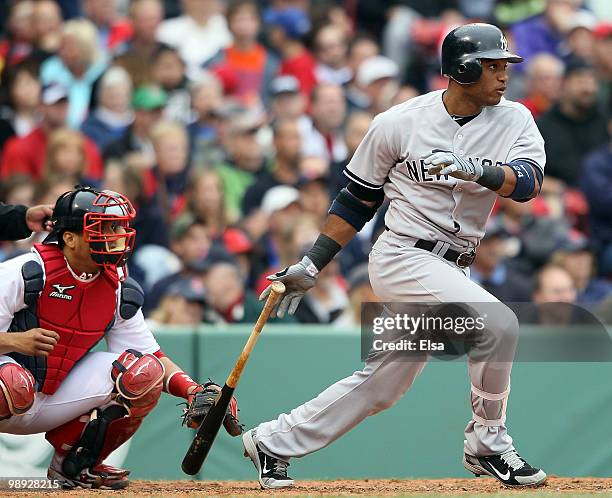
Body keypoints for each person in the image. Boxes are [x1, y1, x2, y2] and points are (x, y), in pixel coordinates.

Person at [241, 23, 547, 489]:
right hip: (404, 255)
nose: (504, 75)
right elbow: (356, 201)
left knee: (383, 385)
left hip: (453, 265)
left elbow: (528, 182)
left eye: (505, 65)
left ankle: (273, 442)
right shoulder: (397, 122)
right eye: (493, 65)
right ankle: (488, 441)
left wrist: (479, 171)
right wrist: (313, 262)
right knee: (497, 324)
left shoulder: (515, 118)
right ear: (463, 70)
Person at [0, 186, 241, 489]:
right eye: (102, 228)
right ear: (70, 238)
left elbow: (151, 356)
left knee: (143, 371)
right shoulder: (25, 271)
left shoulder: (117, 285)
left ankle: (73, 466)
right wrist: (15, 341)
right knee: (13, 383)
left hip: (49, 399)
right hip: (10, 388)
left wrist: (192, 390)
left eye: (116, 227)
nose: (115, 235)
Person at [1, 83, 104, 182]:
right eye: (54, 103)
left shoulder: (86, 146)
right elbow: (15, 190)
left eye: (64, 102)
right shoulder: (19, 148)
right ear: (40, 106)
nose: (60, 108)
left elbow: (94, 186)